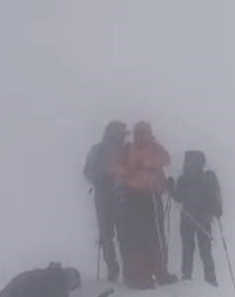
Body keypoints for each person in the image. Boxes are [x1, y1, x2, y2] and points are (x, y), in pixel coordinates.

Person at [112, 121, 175, 288]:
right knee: (137, 237)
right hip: (133, 196)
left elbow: (166, 159)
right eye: (139, 133)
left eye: (144, 133)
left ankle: (160, 272)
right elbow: (116, 167)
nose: (141, 136)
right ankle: (140, 276)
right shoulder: (127, 150)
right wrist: (131, 170)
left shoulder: (155, 148)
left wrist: (146, 164)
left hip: (152, 195)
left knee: (156, 236)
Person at [83, 121, 130, 283]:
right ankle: (117, 269)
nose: (123, 136)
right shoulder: (101, 150)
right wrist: (107, 173)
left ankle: (119, 270)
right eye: (121, 133)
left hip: (116, 195)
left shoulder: (123, 150)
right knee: (111, 234)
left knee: (114, 234)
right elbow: (88, 172)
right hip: (110, 195)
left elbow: (88, 172)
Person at [170, 151, 222, 285]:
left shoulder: (184, 178)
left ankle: (187, 277)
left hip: (189, 218)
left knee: (188, 248)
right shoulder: (207, 178)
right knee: (204, 250)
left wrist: (170, 189)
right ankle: (211, 280)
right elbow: (215, 196)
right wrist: (217, 209)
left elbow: (178, 197)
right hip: (202, 218)